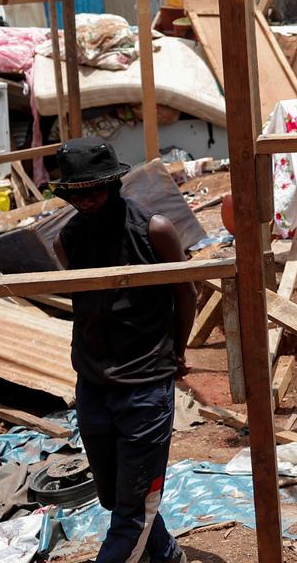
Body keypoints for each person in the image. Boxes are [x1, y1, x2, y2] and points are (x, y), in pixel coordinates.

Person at [51, 137, 194, 563]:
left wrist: (178, 349)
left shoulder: (154, 230)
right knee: (115, 496)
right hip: (93, 383)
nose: (86, 201)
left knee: (131, 512)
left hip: (145, 384)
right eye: (77, 194)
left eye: (94, 191)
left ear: (114, 184)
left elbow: (185, 292)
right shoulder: (68, 240)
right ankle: (167, 555)